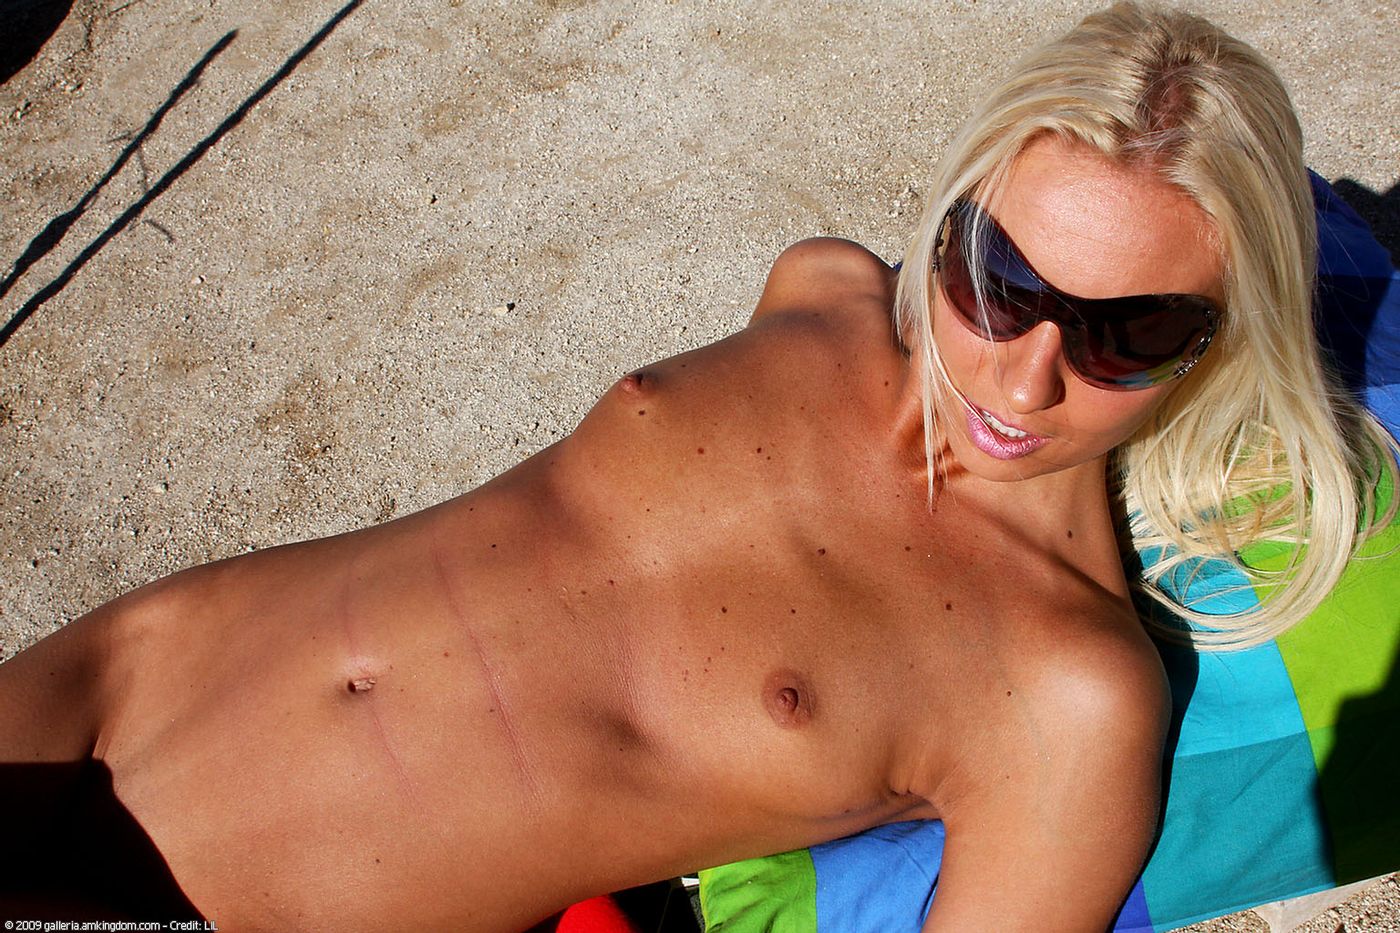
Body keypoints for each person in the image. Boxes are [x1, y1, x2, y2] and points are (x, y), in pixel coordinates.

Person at [1, 2, 1394, 929]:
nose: (1024, 378)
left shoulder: (1068, 695)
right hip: (130, 667)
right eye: (999, 279)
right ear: (955, 215)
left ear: (1227, 334)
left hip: (279, 898)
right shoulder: (823, 290)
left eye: (1129, 333)